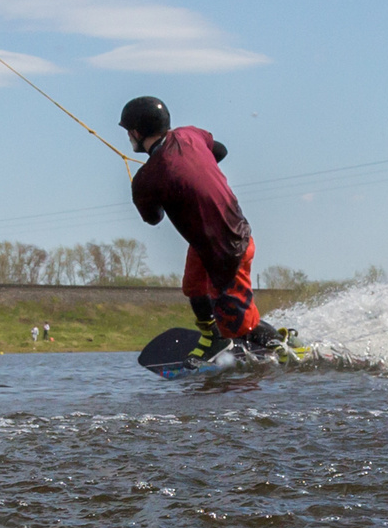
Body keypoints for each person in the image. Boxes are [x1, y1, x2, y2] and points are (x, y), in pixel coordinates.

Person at [119, 96, 294, 355]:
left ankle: (289, 350)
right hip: (207, 244)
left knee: (240, 325)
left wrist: (150, 187)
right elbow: (220, 150)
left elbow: (153, 218)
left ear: (135, 132)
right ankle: (214, 339)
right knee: (194, 288)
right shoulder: (190, 135)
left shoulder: (146, 180)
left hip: (229, 250)